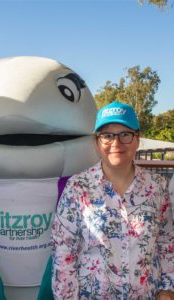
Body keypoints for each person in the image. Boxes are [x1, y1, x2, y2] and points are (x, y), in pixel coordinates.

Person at [51, 101, 174, 299]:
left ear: (137, 138)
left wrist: (167, 289)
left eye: (125, 134)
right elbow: (63, 255)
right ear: (96, 142)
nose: (116, 144)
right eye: (107, 136)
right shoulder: (77, 187)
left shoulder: (157, 186)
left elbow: (167, 241)